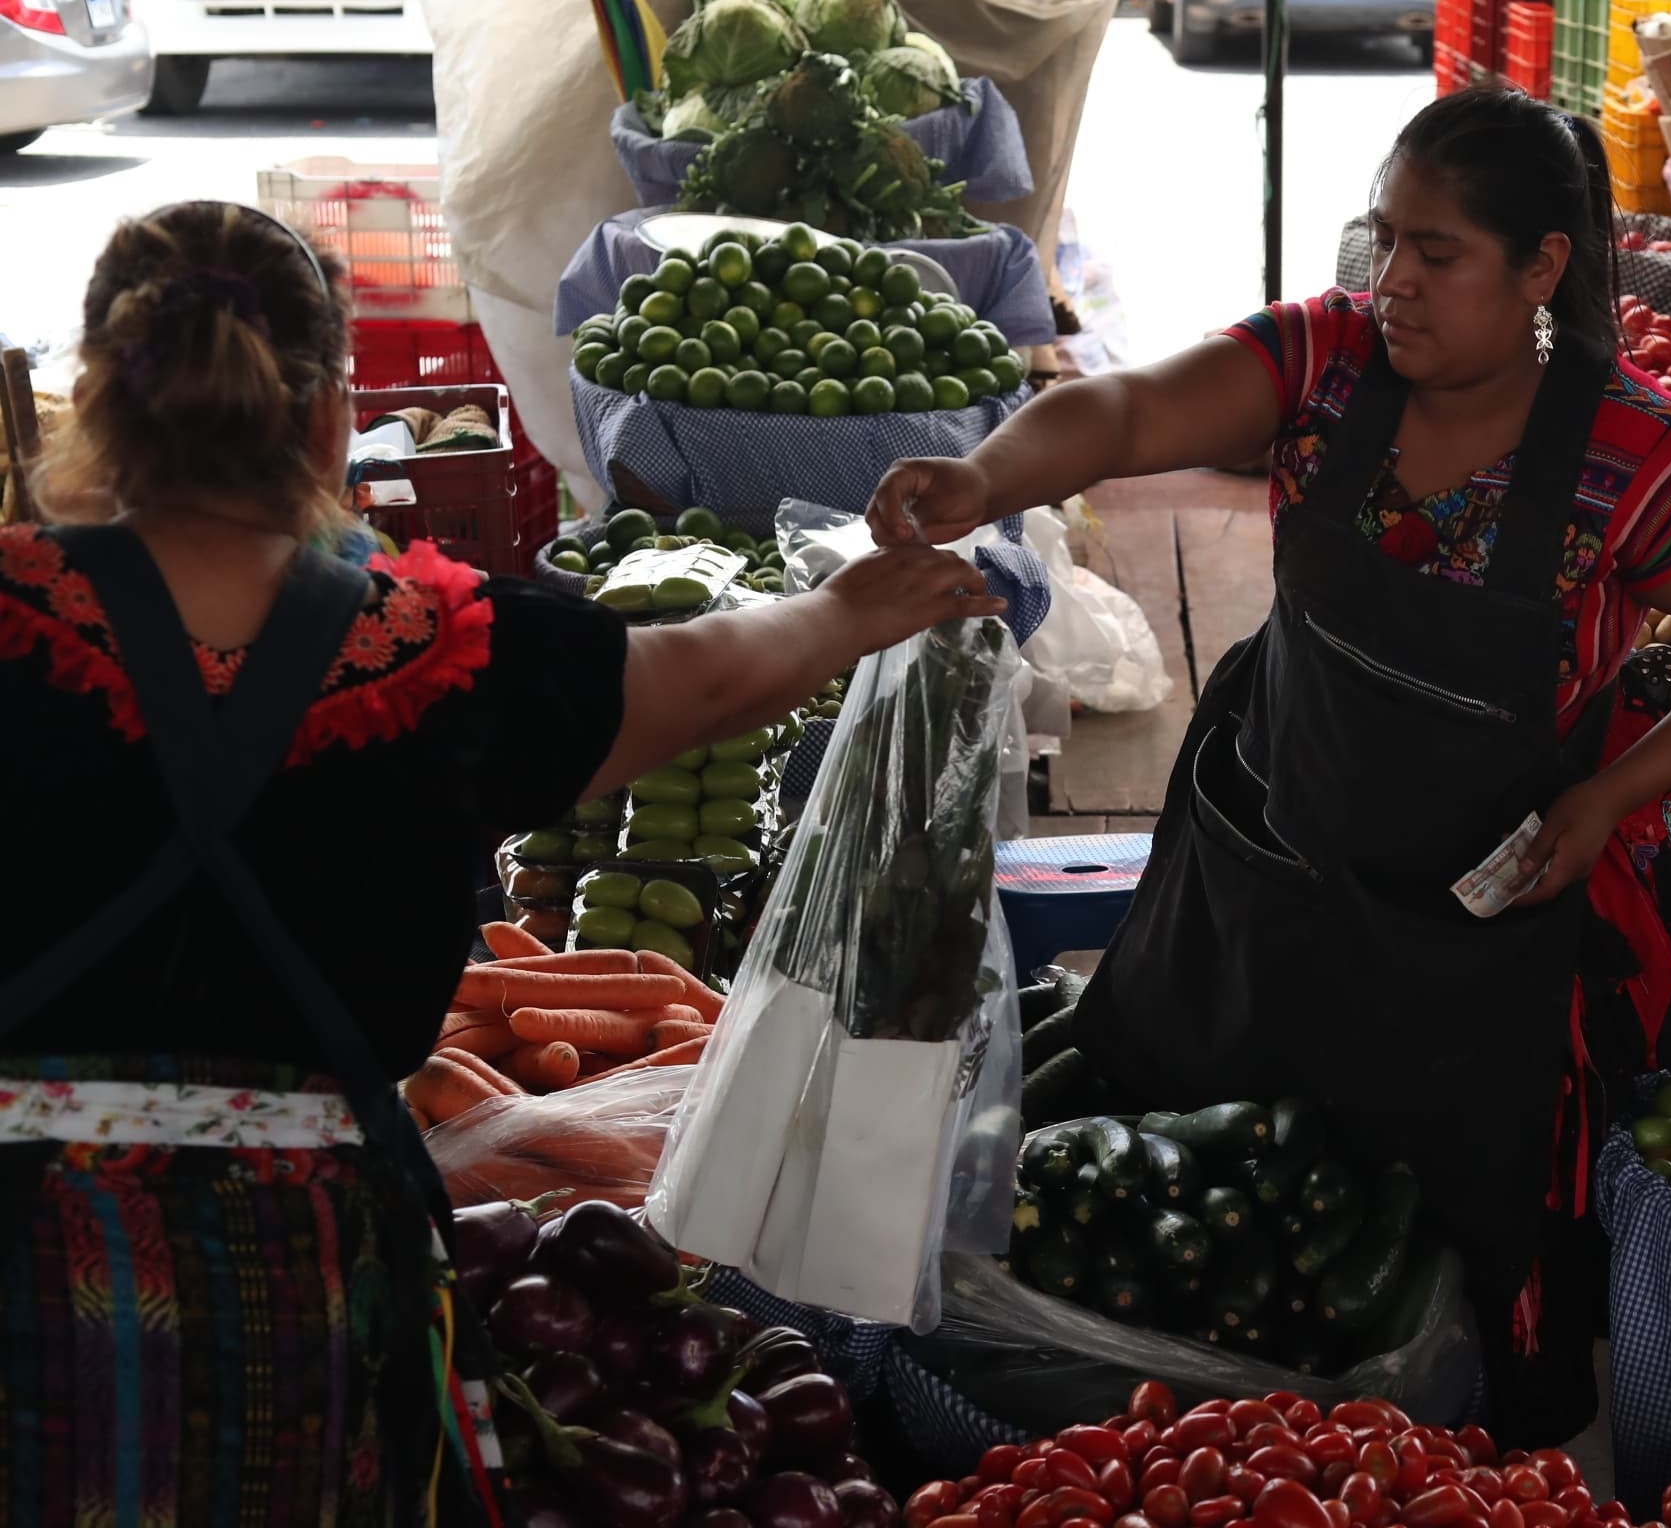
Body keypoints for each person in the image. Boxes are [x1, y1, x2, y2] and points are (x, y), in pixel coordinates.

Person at [0, 200, 1003, 1523]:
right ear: (325, 418)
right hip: (310, 1289)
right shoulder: (450, 659)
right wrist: (849, 605)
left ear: (94, 406)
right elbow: (699, 682)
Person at [869, 85, 1671, 1441]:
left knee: (1433, 1229)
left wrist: (1610, 793)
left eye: (1438, 255)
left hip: (1476, 928)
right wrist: (985, 479)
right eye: (1384, 241)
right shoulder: (1323, 366)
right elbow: (1131, 413)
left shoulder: (1636, 451)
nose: (1395, 284)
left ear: (1543, 266)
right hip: (1276, 857)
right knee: (1192, 1192)